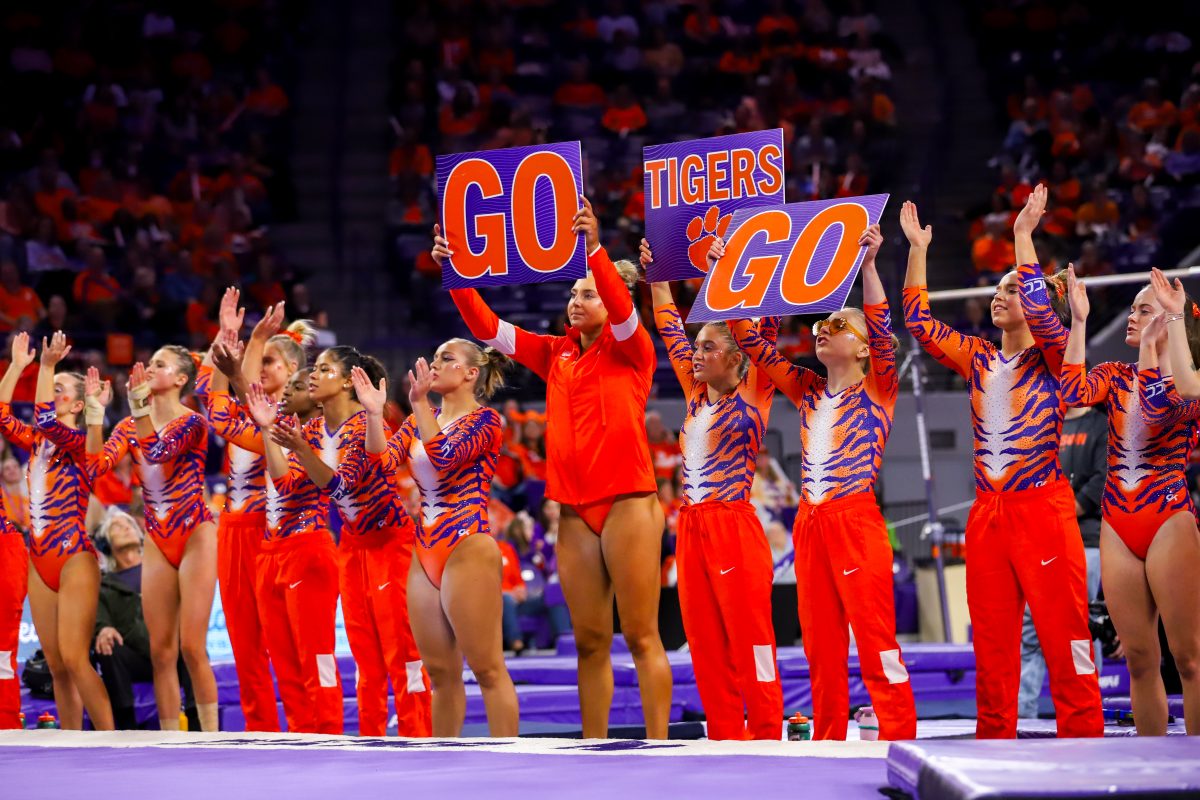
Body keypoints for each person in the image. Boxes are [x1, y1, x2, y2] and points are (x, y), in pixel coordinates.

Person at [436, 197, 672, 739]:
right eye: (571, 293)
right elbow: (488, 328)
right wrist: (455, 272)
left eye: (586, 293)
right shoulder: (554, 353)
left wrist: (593, 251)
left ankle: (662, 747)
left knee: (640, 636)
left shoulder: (633, 349)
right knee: (590, 641)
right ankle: (592, 746)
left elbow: (622, 307)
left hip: (628, 505)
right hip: (573, 510)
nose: (575, 301)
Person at [902, 194, 1103, 739]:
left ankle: (1084, 735)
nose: (999, 296)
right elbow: (917, 320)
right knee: (991, 639)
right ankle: (995, 736)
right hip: (988, 513)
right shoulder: (980, 357)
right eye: (997, 289)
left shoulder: (1057, 358)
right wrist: (918, 250)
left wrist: (1022, 237)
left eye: (1012, 288)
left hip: (1043, 508)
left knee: (1064, 634)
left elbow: (1041, 309)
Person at [724, 225, 916, 741]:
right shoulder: (808, 390)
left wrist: (870, 266)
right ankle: (828, 740)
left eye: (837, 325)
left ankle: (899, 734)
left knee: (875, 638)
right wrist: (726, 276)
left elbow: (879, 325)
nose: (821, 330)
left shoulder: (879, 386)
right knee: (821, 645)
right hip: (811, 522)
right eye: (820, 325)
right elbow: (752, 346)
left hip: (854, 517)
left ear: (862, 349)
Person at [639, 235, 784, 741]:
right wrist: (656, 273)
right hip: (691, 527)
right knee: (703, 639)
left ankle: (767, 731)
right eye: (696, 346)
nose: (696, 353)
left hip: (734, 523)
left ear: (736, 355)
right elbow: (668, 326)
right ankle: (725, 732)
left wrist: (725, 274)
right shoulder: (695, 390)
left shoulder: (758, 384)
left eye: (709, 347)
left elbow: (764, 323)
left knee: (751, 639)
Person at [351, 341, 519, 736]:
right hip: (424, 550)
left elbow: (443, 455)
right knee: (440, 674)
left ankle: (512, 762)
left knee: (487, 667)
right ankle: (447, 762)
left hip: (467, 544)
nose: (436, 363)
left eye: (448, 358)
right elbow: (381, 461)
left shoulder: (486, 421)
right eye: (436, 355)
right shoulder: (417, 418)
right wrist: (375, 415)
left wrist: (420, 403)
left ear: (470, 374)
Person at [265, 344, 431, 738]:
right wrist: (265, 430)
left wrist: (303, 451)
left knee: (403, 654)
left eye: (324, 369)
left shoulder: (363, 424)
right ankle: (370, 741)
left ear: (344, 382)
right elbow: (287, 484)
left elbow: (341, 486)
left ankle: (419, 739)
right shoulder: (311, 430)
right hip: (353, 547)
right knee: (365, 657)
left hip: (392, 543)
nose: (313, 376)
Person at [212, 336, 343, 735]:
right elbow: (227, 417)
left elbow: (289, 483)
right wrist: (234, 374)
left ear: (319, 399)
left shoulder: (325, 432)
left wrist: (271, 429)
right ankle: (301, 737)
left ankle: (329, 734)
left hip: (308, 548)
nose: (288, 392)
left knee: (314, 658)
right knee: (285, 662)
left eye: (298, 387)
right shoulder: (280, 430)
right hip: (271, 550)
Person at [87, 345, 219, 732]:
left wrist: (139, 410)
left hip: (195, 533)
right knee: (162, 651)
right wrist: (96, 415)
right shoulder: (128, 426)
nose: (149, 368)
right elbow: (96, 465)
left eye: (160, 365)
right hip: (158, 539)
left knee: (192, 647)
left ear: (180, 379)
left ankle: (211, 739)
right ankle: (168, 741)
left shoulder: (193, 422)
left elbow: (158, 452)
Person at [196, 292, 313, 732]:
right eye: (257, 361)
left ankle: (306, 728)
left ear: (292, 373)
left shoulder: (292, 422)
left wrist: (253, 338)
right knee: (245, 646)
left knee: (289, 647)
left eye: (269, 362)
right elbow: (220, 400)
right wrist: (229, 336)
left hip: (272, 532)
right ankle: (259, 730)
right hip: (233, 527)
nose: (260, 369)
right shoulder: (252, 415)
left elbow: (224, 410)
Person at [0, 332, 113, 730]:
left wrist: (45, 366)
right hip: (39, 558)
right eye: (53, 386)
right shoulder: (35, 444)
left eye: (61, 389)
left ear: (79, 405)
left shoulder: (78, 443)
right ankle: (71, 743)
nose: (53, 393)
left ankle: (111, 743)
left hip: (73, 557)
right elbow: (0, 414)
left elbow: (46, 418)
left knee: (75, 660)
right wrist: (17, 367)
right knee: (55, 666)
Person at [1019, 400, 1107, 719]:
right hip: (1041, 539)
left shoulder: (1099, 425)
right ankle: (1023, 712)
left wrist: (1064, 512)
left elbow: (1102, 479)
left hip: (1085, 540)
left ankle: (1089, 706)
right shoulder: (1045, 422)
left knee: (1081, 626)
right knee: (1030, 628)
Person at [92, 510, 199, 731]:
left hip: (170, 649)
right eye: (117, 526)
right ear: (105, 543)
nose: (126, 527)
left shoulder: (162, 570)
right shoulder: (102, 583)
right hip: (134, 656)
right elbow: (98, 618)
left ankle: (197, 723)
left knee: (189, 645)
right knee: (107, 647)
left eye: (129, 524)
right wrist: (104, 629)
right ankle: (126, 725)